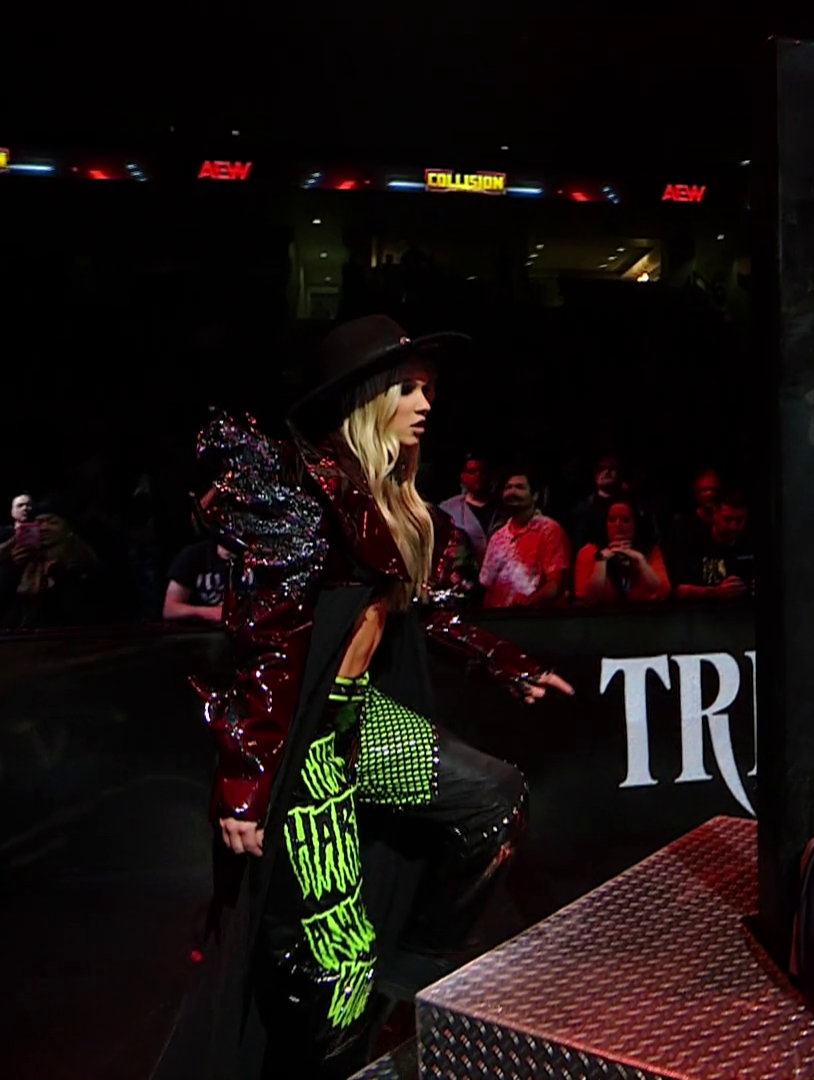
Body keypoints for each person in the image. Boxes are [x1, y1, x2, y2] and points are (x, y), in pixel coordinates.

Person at [153, 315, 573, 1080]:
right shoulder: (308, 497)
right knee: (329, 967)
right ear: (365, 401)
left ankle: (407, 985)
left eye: (429, 389)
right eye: (407, 389)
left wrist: (505, 662)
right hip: (306, 738)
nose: (425, 404)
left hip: (362, 721)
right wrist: (246, 780)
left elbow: (425, 611)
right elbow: (270, 644)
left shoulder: (396, 500)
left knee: (493, 802)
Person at [478, 471, 571, 609]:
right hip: (499, 616)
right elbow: (487, 586)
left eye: (519, 487)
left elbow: (556, 583)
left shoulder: (549, 530)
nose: (512, 492)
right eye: (508, 487)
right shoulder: (497, 538)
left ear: (535, 495)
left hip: (536, 616)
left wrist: (530, 602)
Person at [574, 499, 671, 605]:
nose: (618, 525)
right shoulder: (588, 552)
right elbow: (588, 597)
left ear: (635, 524)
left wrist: (640, 561)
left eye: (625, 520)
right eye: (612, 520)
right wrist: (601, 562)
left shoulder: (651, 551)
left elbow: (661, 591)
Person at [668, 488, 754, 600]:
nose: (733, 526)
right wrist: (716, 592)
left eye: (739, 520)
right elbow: (680, 590)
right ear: (715, 513)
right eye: (728, 519)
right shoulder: (693, 543)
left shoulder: (751, 545)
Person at [163, 538, 235, 624]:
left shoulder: (248, 558)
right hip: (201, 628)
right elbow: (170, 609)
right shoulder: (195, 554)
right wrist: (211, 612)